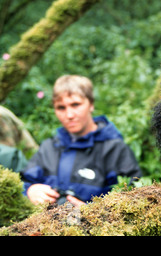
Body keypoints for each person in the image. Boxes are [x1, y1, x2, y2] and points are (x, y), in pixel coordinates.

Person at [21, 75, 142, 207]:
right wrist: (30, 190)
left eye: (75, 105)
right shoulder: (49, 148)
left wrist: (91, 213)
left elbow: (134, 202)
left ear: (91, 104)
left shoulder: (115, 149)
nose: (69, 115)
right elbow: (20, 184)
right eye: (61, 108)